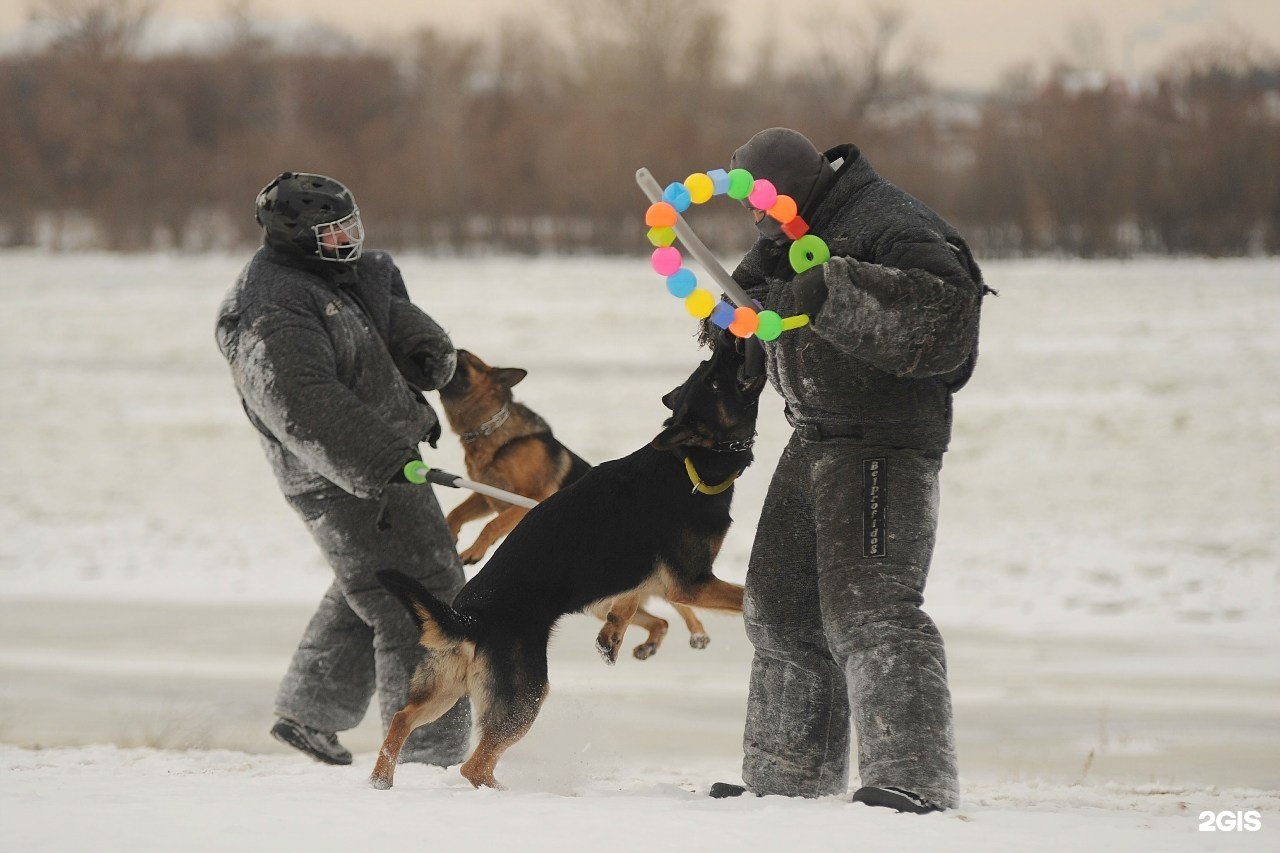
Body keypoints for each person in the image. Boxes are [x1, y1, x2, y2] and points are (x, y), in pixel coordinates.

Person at [707, 129, 990, 812]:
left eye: (756, 198)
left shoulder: (890, 223)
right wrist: (734, 334)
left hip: (886, 440)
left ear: (787, 187)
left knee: (872, 607)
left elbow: (949, 322)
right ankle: (787, 776)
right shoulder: (791, 229)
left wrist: (833, 291)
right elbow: (756, 307)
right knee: (778, 609)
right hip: (813, 433)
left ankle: (914, 778)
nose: (750, 215)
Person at [215, 172, 469, 767]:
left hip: (383, 466)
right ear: (296, 236)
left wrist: (416, 339)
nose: (348, 240)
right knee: (422, 603)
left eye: (351, 227)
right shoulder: (269, 306)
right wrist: (382, 458)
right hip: (346, 478)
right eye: (334, 233)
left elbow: (370, 309)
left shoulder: (329, 276)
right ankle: (430, 757)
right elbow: (299, 402)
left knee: (380, 583)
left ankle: (310, 713)